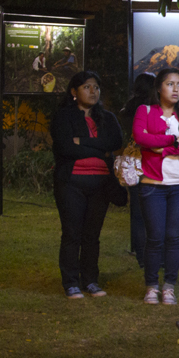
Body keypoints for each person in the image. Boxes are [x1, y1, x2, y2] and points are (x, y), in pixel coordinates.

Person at [50, 71, 123, 298]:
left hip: (100, 183)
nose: (93, 92)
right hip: (72, 182)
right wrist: (100, 149)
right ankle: (71, 282)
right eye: (87, 87)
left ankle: (90, 280)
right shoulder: (63, 117)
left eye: (96, 87)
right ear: (74, 91)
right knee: (72, 233)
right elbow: (66, 147)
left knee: (92, 235)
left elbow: (116, 141)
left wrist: (83, 141)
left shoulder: (108, 118)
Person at [133, 68, 179, 305]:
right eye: (170, 84)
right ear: (159, 87)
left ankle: (169, 285)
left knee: (174, 237)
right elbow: (141, 138)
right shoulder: (145, 110)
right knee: (155, 238)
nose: (176, 89)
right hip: (154, 186)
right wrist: (174, 139)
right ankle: (151, 286)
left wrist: (163, 148)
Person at [120, 72, 157, 267]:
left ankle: (139, 252)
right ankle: (148, 256)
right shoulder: (149, 109)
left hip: (132, 161)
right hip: (148, 161)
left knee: (136, 209)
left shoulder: (128, 107)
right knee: (151, 210)